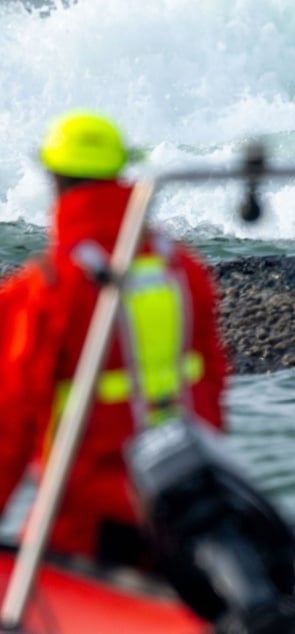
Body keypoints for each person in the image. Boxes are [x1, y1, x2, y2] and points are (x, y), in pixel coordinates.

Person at [0, 109, 230, 566]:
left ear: (55, 181)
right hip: (185, 503)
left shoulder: (44, 288)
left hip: (87, 520)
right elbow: (213, 385)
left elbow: (11, 420)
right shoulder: (183, 271)